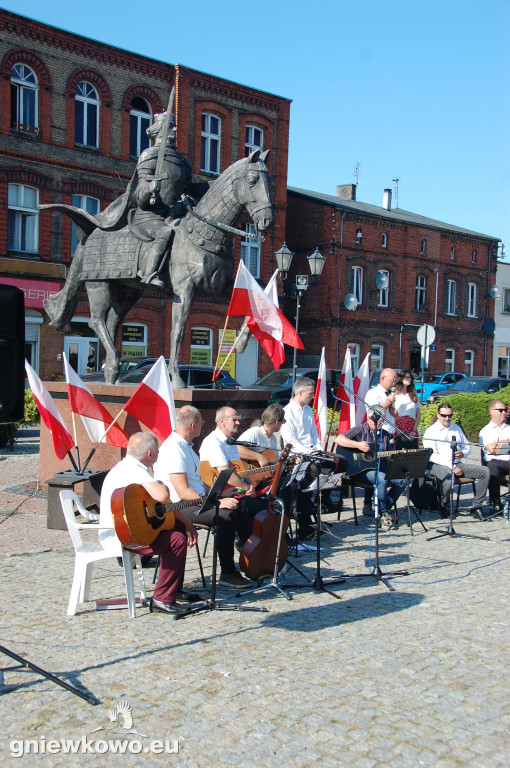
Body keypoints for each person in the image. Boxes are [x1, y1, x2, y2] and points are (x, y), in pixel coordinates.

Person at [99, 432, 198, 617]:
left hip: (131, 529)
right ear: (150, 454)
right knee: (176, 540)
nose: (159, 454)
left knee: (177, 528)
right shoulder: (134, 470)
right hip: (123, 535)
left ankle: (174, 589)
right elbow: (163, 496)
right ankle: (162, 598)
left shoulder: (131, 466)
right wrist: (162, 484)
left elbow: (163, 505)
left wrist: (187, 523)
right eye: (157, 451)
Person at [153, 405, 251, 589]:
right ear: (192, 425)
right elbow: (182, 492)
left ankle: (253, 557)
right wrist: (216, 501)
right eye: (201, 423)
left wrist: (219, 494)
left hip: (194, 500)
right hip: (178, 506)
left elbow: (196, 484)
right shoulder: (174, 448)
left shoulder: (186, 447)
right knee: (226, 515)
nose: (202, 426)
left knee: (239, 504)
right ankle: (228, 572)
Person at [130, 111, 193, 287]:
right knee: (164, 232)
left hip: (172, 216)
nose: (174, 130)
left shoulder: (182, 161)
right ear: (159, 130)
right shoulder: (149, 155)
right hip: (149, 216)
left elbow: (189, 191)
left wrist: (184, 203)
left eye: (174, 126)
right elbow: (139, 195)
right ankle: (149, 273)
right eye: (170, 127)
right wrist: (149, 189)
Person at [199, 406, 267, 556]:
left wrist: (250, 485)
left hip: (235, 488)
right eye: (234, 419)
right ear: (221, 421)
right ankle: (251, 549)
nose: (238, 423)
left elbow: (240, 470)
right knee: (250, 505)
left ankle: (263, 544)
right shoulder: (213, 442)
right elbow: (225, 472)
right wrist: (245, 486)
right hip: (219, 492)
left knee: (271, 493)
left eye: (238, 419)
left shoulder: (231, 441)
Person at [334, 408, 406, 529]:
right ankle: (383, 514)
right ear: (369, 418)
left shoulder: (386, 435)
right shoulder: (360, 430)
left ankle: (384, 507)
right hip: (360, 471)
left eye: (382, 419)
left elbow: (387, 457)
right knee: (382, 479)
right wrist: (358, 445)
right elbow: (339, 439)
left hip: (379, 468)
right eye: (377, 419)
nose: (380, 422)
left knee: (403, 479)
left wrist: (396, 456)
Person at [423, 403, 490, 520]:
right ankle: (444, 505)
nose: (447, 418)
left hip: (457, 463)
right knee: (448, 480)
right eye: (444, 415)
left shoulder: (456, 428)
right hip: (439, 464)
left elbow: (467, 445)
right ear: (438, 415)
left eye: (450, 416)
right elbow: (432, 455)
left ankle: (476, 506)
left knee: (485, 471)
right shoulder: (431, 431)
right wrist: (452, 467)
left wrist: (463, 453)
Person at [280, 377, 323, 539]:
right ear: (300, 393)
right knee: (310, 473)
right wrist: (309, 452)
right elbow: (291, 441)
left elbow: (313, 432)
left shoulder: (307, 409)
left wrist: (319, 448)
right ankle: (304, 519)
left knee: (338, 461)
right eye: (310, 393)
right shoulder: (287, 412)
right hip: (296, 456)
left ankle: (320, 503)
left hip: (310, 452)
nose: (313, 396)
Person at [479, 400, 510, 511]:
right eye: (500, 410)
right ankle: (496, 503)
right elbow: (492, 449)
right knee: (492, 472)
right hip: (495, 461)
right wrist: (506, 444)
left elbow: (497, 447)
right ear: (492, 412)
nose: (504, 413)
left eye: (505, 410)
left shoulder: (508, 428)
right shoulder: (486, 431)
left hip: (508, 460)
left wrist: (500, 444)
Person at [394, 369, 420, 448]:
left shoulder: (413, 394)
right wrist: (398, 431)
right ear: (401, 379)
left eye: (410, 378)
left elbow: (418, 414)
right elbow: (393, 414)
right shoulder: (395, 395)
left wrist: (414, 430)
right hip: (399, 426)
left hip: (411, 426)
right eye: (407, 377)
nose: (409, 379)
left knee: (412, 452)